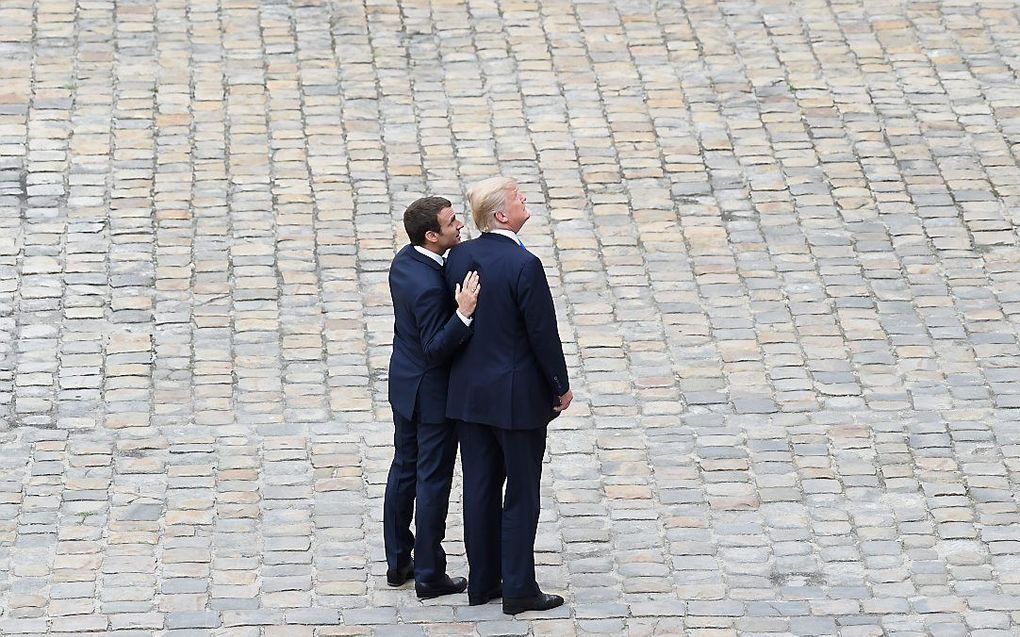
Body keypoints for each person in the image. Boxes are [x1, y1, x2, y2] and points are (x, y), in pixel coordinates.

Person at [444, 177, 573, 615]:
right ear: (502, 215)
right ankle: (518, 587)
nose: (525, 200)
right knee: (521, 492)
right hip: (516, 400)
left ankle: (483, 582)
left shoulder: (459, 255)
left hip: (470, 396)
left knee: (479, 488)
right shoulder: (525, 265)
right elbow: (542, 333)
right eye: (518, 197)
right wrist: (561, 384)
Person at [384, 196, 481, 599]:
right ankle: (429, 573)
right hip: (431, 393)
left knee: (403, 470)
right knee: (432, 480)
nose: (459, 225)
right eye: (451, 222)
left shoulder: (404, 261)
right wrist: (462, 313)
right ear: (431, 235)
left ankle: (397, 562)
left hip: (404, 384)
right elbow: (435, 347)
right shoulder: (427, 285)